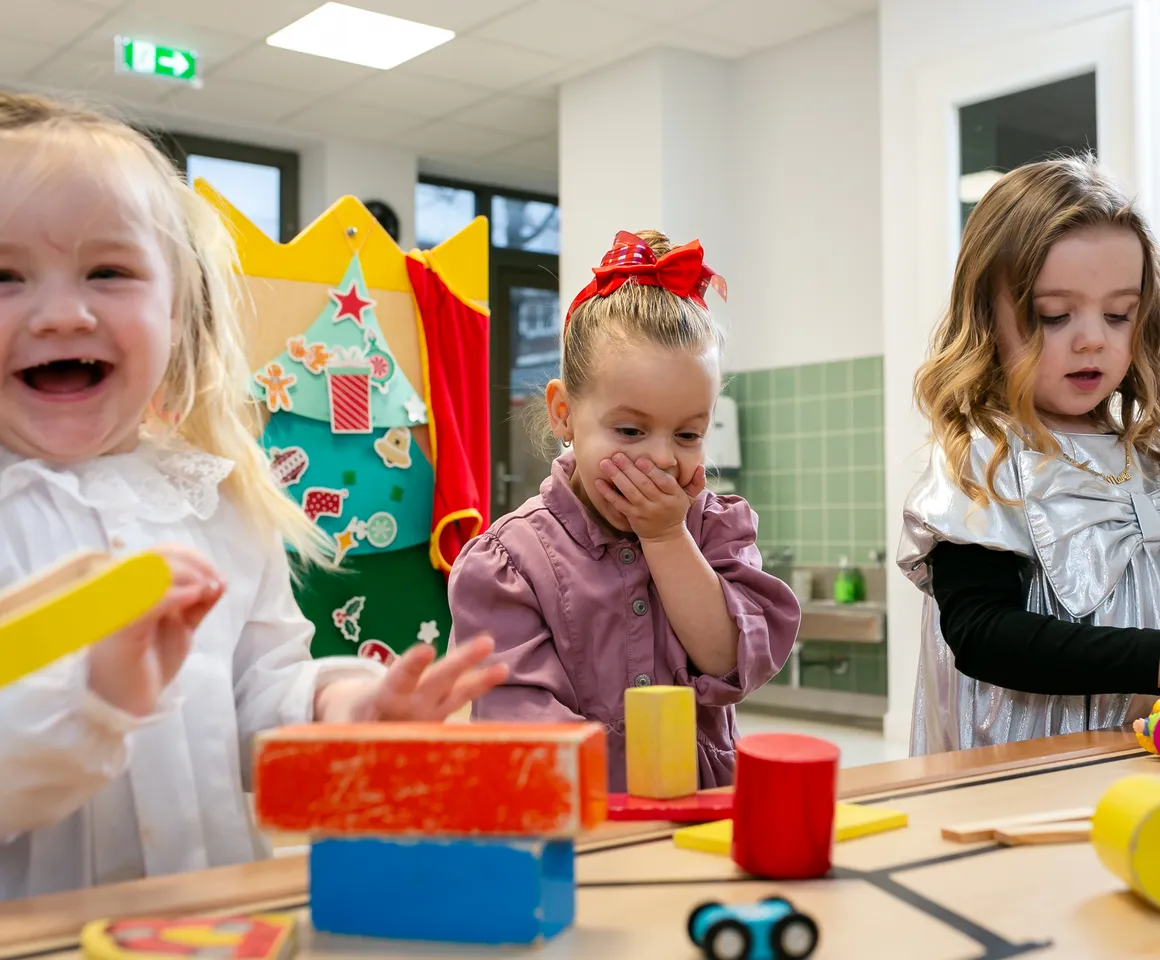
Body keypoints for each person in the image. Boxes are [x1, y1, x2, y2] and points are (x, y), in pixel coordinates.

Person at [0, 94, 507, 900]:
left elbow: (258, 698)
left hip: (213, 918)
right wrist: (93, 703)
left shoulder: (216, 503)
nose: (63, 313)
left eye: (109, 270)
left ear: (178, 311)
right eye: (4, 276)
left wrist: (346, 709)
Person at [447, 229, 800, 791]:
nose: (661, 458)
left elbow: (728, 658)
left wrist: (666, 538)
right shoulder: (509, 563)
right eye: (631, 430)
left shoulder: (714, 530)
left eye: (688, 434)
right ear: (563, 413)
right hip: (576, 819)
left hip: (698, 813)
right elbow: (515, 722)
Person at [899, 155, 1160, 756]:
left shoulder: (1145, 456)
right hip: (1015, 771)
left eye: (1119, 314)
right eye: (1054, 315)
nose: (1093, 336)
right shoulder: (984, 455)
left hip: (1133, 761)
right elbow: (984, 635)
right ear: (987, 318)